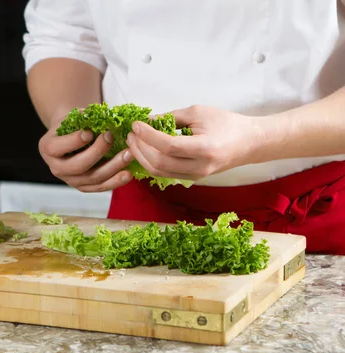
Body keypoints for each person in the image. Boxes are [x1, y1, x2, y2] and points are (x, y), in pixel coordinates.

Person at [21, 0, 345, 254]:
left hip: (314, 218)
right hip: (146, 214)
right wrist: (70, 120)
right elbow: (64, 36)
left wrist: (258, 139)